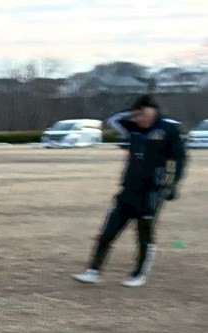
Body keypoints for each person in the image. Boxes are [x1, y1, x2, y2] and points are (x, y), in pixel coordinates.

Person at [74, 95, 188, 288]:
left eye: (142, 114)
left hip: (151, 193)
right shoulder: (133, 127)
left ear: (153, 111)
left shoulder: (168, 130)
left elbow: (180, 160)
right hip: (128, 190)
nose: (139, 119)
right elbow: (113, 120)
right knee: (108, 232)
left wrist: (172, 185)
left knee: (144, 235)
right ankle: (93, 271)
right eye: (136, 115)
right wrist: (134, 113)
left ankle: (139, 274)